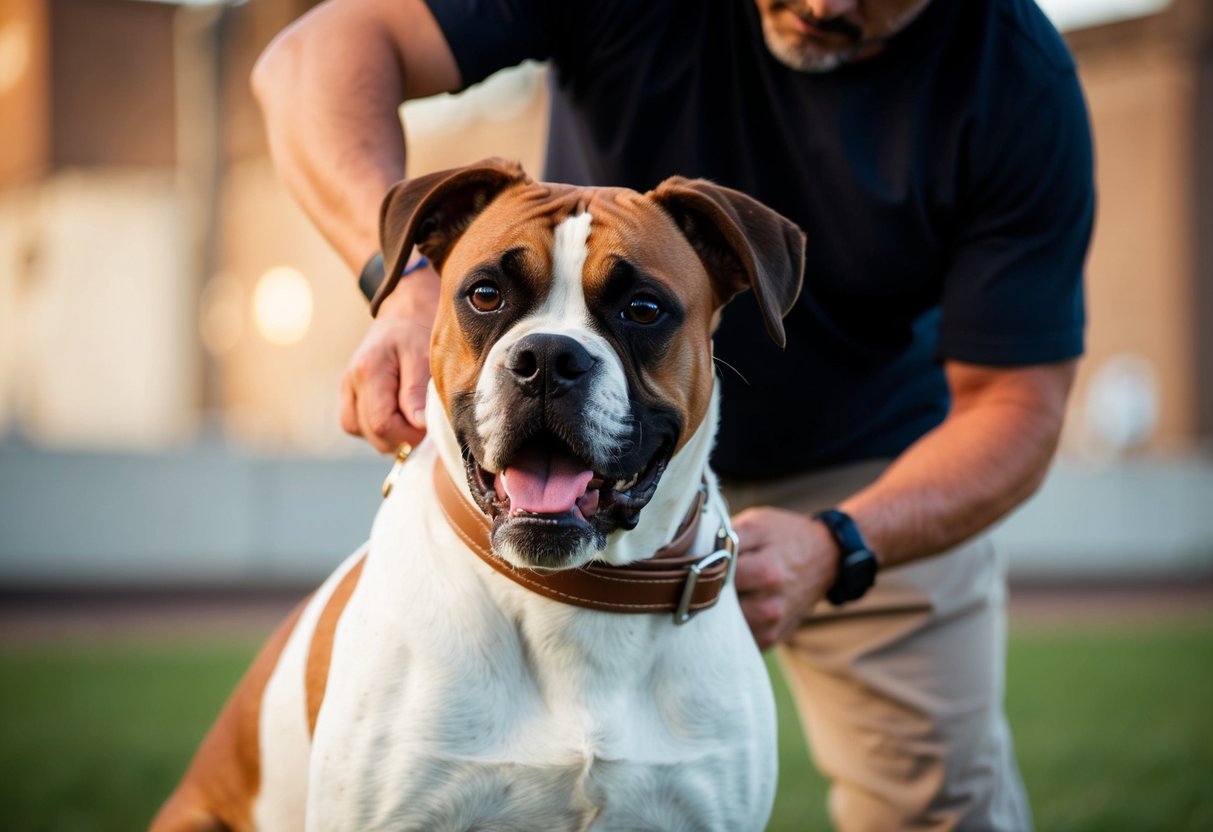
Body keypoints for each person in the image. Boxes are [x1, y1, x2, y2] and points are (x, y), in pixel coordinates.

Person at [252, 0, 1094, 828]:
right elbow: (309, 57)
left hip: (877, 467)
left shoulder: (1017, 77)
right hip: (551, 469)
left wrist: (839, 542)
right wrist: (402, 288)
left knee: (944, 808)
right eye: (488, 295)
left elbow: (1017, 403)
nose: (825, 3)